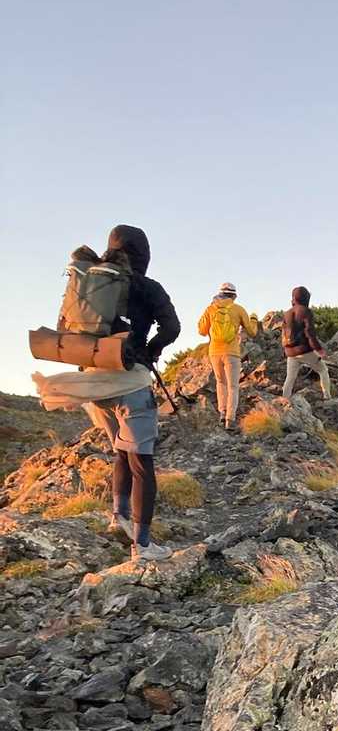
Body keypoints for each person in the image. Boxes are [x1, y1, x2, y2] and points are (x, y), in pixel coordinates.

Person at [82, 225, 180, 562]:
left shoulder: (89, 281)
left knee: (120, 450)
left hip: (93, 383)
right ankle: (143, 545)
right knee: (141, 460)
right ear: (143, 254)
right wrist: (151, 349)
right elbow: (172, 328)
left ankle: (118, 517)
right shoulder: (147, 286)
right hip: (129, 381)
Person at [197, 282, 259, 429]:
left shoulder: (211, 308)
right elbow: (252, 332)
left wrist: (209, 311)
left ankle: (222, 412)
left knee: (221, 382)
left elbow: (201, 331)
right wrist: (254, 319)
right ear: (234, 296)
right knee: (233, 386)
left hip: (214, 352)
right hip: (232, 352)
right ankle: (230, 419)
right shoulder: (238, 309)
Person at [281, 287, 332, 401]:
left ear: (294, 298)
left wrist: (285, 351)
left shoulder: (287, 313)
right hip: (304, 351)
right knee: (323, 370)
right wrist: (319, 350)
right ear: (306, 298)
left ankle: (284, 401)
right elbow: (310, 334)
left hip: (290, 352)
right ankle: (327, 397)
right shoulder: (306, 311)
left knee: (290, 378)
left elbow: (283, 334)